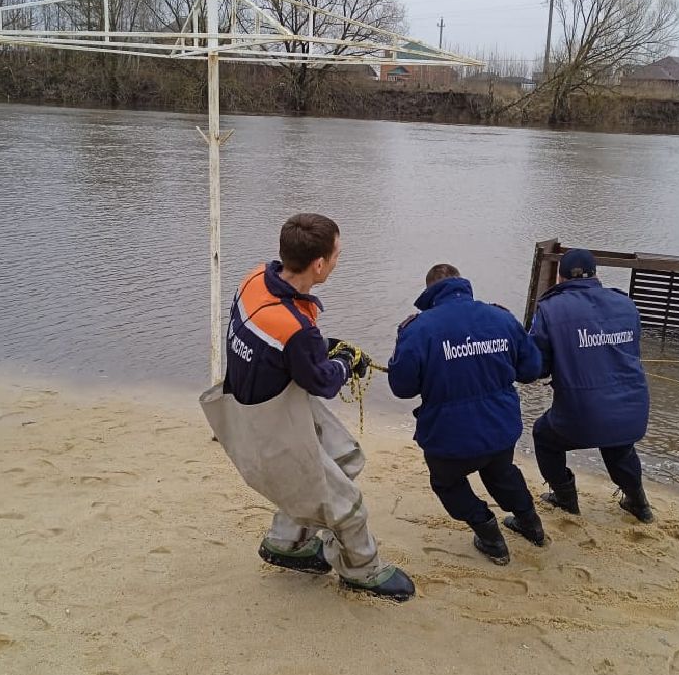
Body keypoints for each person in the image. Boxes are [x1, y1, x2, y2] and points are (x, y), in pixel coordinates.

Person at [200, 213, 415, 602]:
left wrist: (327, 347)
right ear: (319, 264)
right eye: (336, 255)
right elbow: (324, 382)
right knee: (349, 508)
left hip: (253, 407)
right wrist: (347, 363)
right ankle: (362, 571)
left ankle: (288, 542)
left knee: (345, 459)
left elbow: (287, 347)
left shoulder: (253, 280)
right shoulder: (295, 329)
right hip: (271, 427)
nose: (337, 261)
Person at [387, 263, 545, 564]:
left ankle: (489, 534)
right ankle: (531, 524)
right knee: (501, 472)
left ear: (429, 292)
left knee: (446, 483)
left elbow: (402, 387)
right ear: (463, 284)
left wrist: (402, 343)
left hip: (449, 437)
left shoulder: (418, 329)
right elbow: (531, 370)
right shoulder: (501, 317)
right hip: (500, 427)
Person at [529, 248, 653, 523]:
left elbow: (538, 368)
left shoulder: (549, 309)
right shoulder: (626, 304)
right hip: (633, 408)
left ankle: (565, 497)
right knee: (618, 445)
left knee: (544, 436)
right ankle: (638, 503)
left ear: (559, 278)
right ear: (596, 274)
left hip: (580, 413)